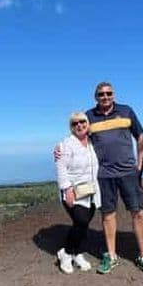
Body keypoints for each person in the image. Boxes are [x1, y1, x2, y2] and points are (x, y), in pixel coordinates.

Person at [82, 81, 143, 276]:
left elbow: (140, 136)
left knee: (138, 212)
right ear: (95, 97)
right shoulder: (89, 116)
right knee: (108, 214)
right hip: (103, 174)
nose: (105, 97)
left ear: (113, 94)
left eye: (108, 93)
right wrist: (61, 150)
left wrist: (140, 162)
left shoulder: (126, 111)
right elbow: (79, 139)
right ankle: (112, 255)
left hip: (127, 172)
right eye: (101, 94)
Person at [54, 112, 101, 273]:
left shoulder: (92, 143)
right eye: (75, 124)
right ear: (71, 127)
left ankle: (77, 252)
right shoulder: (66, 145)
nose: (79, 125)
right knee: (80, 221)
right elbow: (61, 168)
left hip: (91, 191)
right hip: (73, 191)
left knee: (84, 224)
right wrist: (67, 190)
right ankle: (66, 253)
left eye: (82, 122)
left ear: (88, 124)